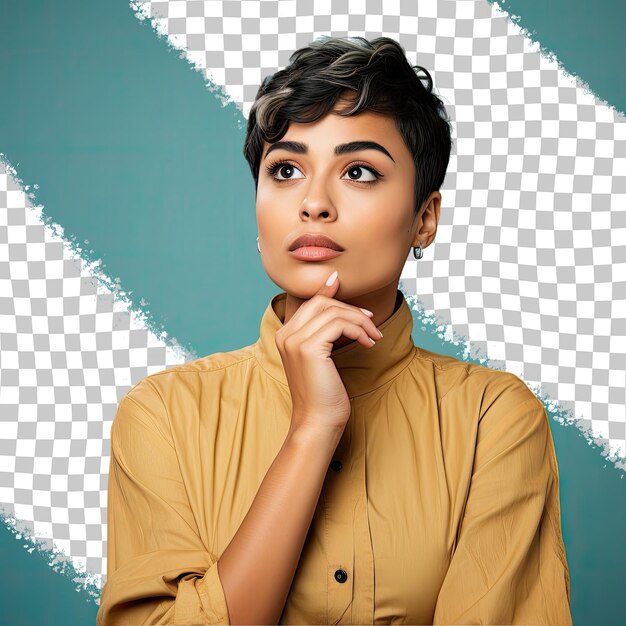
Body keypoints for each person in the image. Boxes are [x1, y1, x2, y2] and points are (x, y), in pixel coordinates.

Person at [96, 35, 572, 625]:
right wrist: (311, 430)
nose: (314, 202)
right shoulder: (163, 414)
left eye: (359, 171)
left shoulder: (491, 419)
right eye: (287, 170)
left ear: (425, 219)